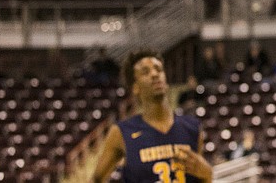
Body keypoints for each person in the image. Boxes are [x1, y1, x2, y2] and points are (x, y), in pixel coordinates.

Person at [91, 50, 213, 183]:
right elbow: (96, 179)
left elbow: (202, 178)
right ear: (135, 87)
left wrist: (207, 174)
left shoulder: (192, 127)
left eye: (159, 69)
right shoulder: (121, 132)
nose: (155, 74)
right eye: (145, 72)